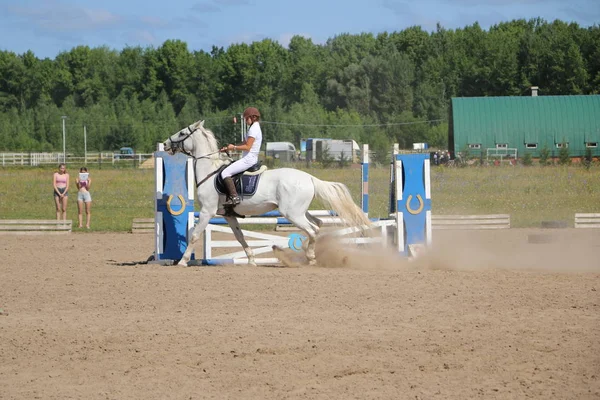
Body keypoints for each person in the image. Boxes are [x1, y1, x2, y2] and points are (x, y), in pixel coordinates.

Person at [219, 106, 263, 207]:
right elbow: (244, 143)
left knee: (225, 173)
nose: (245, 120)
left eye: (246, 118)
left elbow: (247, 147)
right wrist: (228, 148)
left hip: (248, 160)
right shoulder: (253, 128)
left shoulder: (254, 129)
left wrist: (233, 147)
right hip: (248, 158)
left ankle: (234, 197)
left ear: (253, 117)